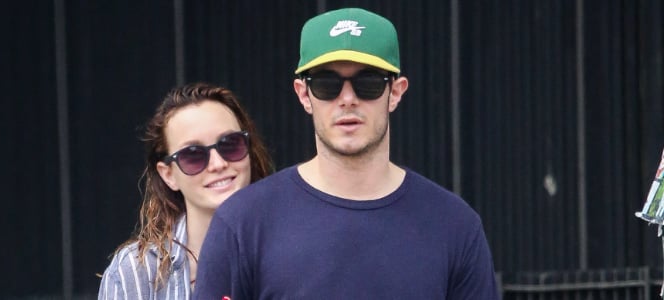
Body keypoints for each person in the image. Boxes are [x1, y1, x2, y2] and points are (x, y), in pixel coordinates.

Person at [193, 8, 500, 299]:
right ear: (304, 93)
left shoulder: (454, 225)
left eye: (368, 83)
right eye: (327, 84)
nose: (348, 99)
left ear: (395, 92)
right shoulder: (243, 224)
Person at [98, 83, 273, 299]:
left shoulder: (294, 247)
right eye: (193, 155)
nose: (217, 164)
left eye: (230, 144)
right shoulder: (137, 272)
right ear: (168, 175)